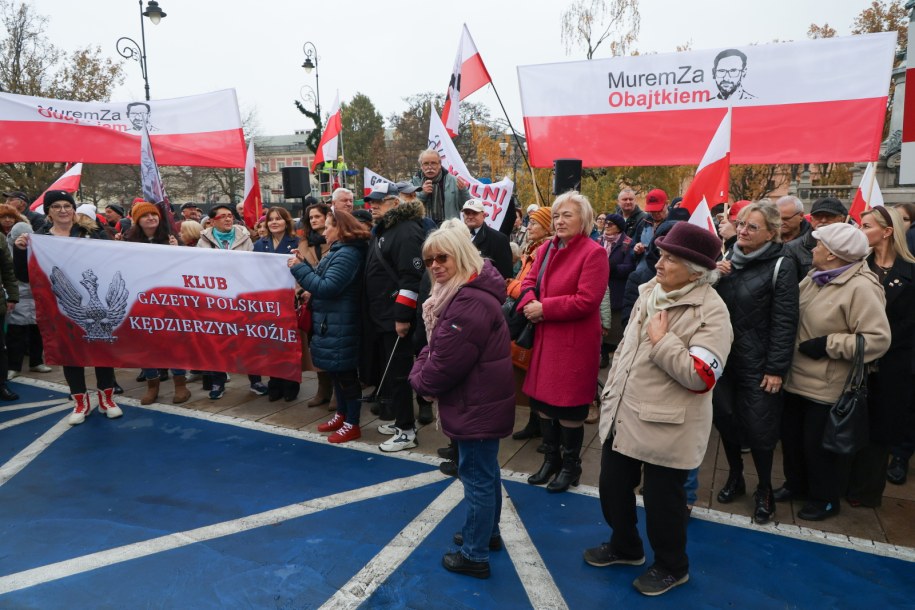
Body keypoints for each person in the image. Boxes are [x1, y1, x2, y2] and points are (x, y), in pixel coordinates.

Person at [585, 222, 732, 597]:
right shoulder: (651, 291)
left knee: (664, 504)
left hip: (670, 426)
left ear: (696, 271)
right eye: (662, 254)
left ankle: (672, 567)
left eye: (670, 257)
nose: (659, 261)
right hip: (625, 414)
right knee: (612, 488)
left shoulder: (712, 312)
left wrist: (662, 341)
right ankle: (625, 547)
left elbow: (700, 376)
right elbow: (626, 353)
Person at [409, 220, 515, 580]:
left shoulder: (466, 301)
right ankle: (488, 534)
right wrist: (426, 360)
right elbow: (440, 349)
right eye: (429, 260)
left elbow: (443, 362)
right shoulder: (464, 292)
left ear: (462, 256)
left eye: (443, 257)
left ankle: (474, 553)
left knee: (477, 478)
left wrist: (418, 378)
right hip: (480, 398)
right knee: (485, 473)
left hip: (476, 402)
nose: (435, 265)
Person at [777, 223, 891, 521]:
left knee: (819, 449)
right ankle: (797, 485)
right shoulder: (816, 277)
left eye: (819, 245)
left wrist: (829, 344)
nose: (813, 248)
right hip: (796, 378)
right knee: (793, 441)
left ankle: (825, 498)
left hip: (827, 386)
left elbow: (877, 339)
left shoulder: (862, 287)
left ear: (832, 254)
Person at [711, 202, 799, 524]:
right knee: (726, 419)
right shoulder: (727, 257)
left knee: (760, 430)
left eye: (752, 227)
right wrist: (712, 276)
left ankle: (764, 488)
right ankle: (736, 476)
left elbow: (785, 320)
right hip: (723, 359)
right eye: (741, 224)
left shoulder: (781, 264)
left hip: (758, 363)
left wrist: (776, 368)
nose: (743, 231)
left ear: (771, 233)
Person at [518, 191, 609, 493]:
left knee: (570, 408)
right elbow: (529, 281)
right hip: (546, 339)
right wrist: (530, 301)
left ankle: (571, 466)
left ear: (583, 219)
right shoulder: (546, 249)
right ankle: (551, 460)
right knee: (543, 403)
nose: (559, 221)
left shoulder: (593, 253)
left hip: (573, 342)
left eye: (566, 215)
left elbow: (587, 300)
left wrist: (545, 308)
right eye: (556, 215)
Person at [13, 190, 120, 420]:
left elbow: (114, 261)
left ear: (73, 209)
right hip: (59, 305)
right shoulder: (40, 239)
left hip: (96, 300)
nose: (63, 210)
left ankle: (106, 398)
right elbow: (24, 275)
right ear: (48, 212)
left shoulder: (93, 233)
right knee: (70, 352)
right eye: (56, 207)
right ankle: (80, 402)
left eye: (67, 206)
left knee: (101, 348)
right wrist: (20, 251)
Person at [843, 207, 915, 506]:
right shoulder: (856, 268)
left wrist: (877, 342)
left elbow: (909, 324)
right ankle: (842, 483)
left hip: (893, 366)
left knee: (880, 431)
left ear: (887, 231)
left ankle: (866, 493)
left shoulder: (910, 272)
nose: (860, 230)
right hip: (854, 362)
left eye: (867, 225)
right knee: (850, 424)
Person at [290, 210, 369, 442]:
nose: (324, 232)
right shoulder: (340, 251)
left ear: (341, 229)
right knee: (336, 372)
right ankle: (342, 414)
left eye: (328, 227)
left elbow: (327, 287)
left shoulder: (348, 254)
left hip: (341, 322)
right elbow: (323, 279)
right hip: (332, 320)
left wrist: (298, 268)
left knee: (345, 375)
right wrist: (304, 265)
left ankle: (352, 423)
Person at [365, 191, 426, 451]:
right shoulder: (386, 230)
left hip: (395, 316)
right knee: (392, 374)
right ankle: (402, 420)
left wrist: (402, 317)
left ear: (395, 204)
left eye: (379, 202)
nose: (373, 207)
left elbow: (410, 278)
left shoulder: (406, 231)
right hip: (382, 314)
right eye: (371, 203)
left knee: (400, 374)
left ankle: (406, 431)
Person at [122, 202, 191, 405]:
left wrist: (178, 250)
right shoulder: (129, 241)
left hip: (169, 299)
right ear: (137, 220)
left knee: (174, 341)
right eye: (145, 215)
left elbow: (187, 267)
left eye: (154, 214)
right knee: (146, 343)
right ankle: (153, 385)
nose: (151, 218)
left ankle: (180, 384)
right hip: (142, 299)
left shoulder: (171, 238)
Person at [196, 203, 266, 398]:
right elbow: (201, 268)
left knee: (249, 340)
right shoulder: (203, 241)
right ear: (212, 221)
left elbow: (253, 264)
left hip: (242, 297)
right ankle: (218, 383)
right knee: (218, 342)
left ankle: (256, 380)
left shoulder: (244, 238)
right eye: (223, 216)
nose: (228, 219)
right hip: (217, 299)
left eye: (230, 216)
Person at [508, 205, 553, 441]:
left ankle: (545, 431)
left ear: (547, 227)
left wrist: (511, 286)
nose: (530, 226)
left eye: (535, 222)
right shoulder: (533, 248)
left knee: (537, 373)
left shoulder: (545, 251)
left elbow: (532, 285)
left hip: (535, 316)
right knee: (530, 374)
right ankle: (536, 423)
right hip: (526, 311)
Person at [254, 207, 302, 401]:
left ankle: (291, 384)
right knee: (271, 343)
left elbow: (303, 269)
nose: (274, 222)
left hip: (289, 299)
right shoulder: (259, 244)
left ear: (286, 222)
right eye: (271, 219)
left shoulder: (296, 243)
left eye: (278, 219)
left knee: (288, 342)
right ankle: (275, 382)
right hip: (266, 300)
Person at [298, 202, 334, 408]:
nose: (313, 220)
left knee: (333, 348)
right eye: (310, 217)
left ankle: (338, 391)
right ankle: (323, 389)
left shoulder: (338, 241)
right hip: (310, 304)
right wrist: (302, 291)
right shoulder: (304, 244)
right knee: (316, 347)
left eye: (317, 216)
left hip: (330, 301)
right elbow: (298, 271)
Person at [5, 221, 50, 379]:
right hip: (17, 296)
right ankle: (14, 366)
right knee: (16, 333)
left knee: (37, 331)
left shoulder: (37, 248)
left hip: (36, 295)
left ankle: (36, 362)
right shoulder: (7, 249)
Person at [784, 197, 847, 277]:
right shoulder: (792, 248)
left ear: (841, 219)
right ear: (811, 219)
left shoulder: (852, 246)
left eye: (829, 216)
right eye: (818, 216)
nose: (823, 220)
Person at [603, 213, 635, 358]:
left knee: (615, 326)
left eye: (611, 224)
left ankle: (616, 355)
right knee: (601, 320)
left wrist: (612, 268)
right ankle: (602, 353)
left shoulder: (627, 243)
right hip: (601, 287)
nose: (607, 226)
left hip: (617, 289)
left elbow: (629, 267)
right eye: (606, 223)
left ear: (619, 227)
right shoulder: (599, 240)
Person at [412, 149, 470, 225]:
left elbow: (465, 206)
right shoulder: (413, 183)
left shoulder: (454, 181)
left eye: (433, 163)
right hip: (422, 228)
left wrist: (463, 191)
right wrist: (423, 193)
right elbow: (410, 209)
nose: (430, 167)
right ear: (421, 166)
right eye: (426, 164)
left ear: (439, 165)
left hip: (449, 228)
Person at [461, 199, 513, 279]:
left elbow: (506, 276)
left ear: (484, 215)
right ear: (463, 216)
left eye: (475, 213)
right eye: (467, 213)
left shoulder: (499, 239)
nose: (470, 216)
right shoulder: (458, 237)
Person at [632, 189, 669, 260]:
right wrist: (636, 249)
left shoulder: (674, 223)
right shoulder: (644, 222)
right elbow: (633, 244)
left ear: (667, 204)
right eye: (652, 210)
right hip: (644, 264)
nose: (655, 214)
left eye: (659, 210)